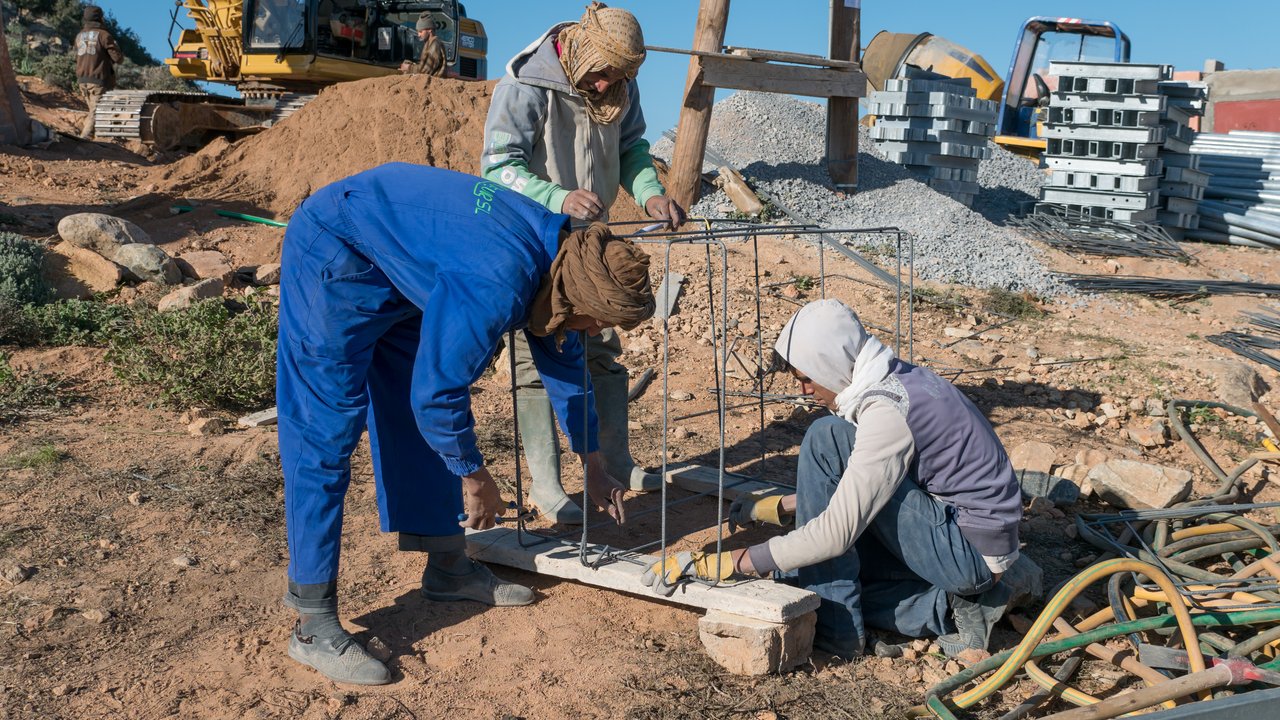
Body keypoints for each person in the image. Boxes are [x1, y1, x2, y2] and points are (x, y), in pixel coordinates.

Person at [278, 163, 653, 685]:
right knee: (325, 432)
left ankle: (447, 566)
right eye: (599, 321)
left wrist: (592, 462)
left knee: (414, 416)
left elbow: (565, 364)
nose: (597, 331)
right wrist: (473, 477)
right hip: (338, 250)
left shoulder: (564, 260)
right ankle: (312, 623)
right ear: (577, 298)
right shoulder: (500, 280)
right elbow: (439, 394)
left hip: (406, 263)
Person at [644, 299, 1041, 660]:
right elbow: (869, 487)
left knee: (827, 445)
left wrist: (727, 563)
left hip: (966, 555)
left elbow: (837, 531)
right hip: (962, 535)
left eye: (806, 377)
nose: (804, 390)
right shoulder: (898, 378)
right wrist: (779, 508)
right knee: (801, 569)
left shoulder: (887, 413)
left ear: (830, 363)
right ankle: (945, 606)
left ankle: (839, 634)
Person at [480, 2, 685, 525]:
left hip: (593, 246)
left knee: (601, 354)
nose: (604, 87)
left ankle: (615, 464)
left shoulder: (618, 85)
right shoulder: (525, 86)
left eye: (617, 79)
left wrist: (649, 194)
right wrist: (558, 197)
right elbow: (497, 169)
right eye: (601, 75)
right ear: (582, 52)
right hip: (538, 242)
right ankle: (549, 487)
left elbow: (634, 148)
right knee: (534, 363)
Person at [74, 5, 123, 139]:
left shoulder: (79, 36)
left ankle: (93, 141)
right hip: (98, 79)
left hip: (82, 80)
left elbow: (76, 56)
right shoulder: (104, 35)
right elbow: (118, 59)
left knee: (93, 111)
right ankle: (83, 139)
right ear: (100, 18)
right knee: (96, 112)